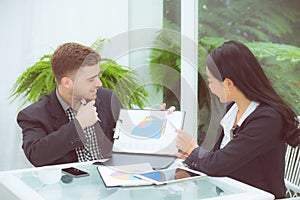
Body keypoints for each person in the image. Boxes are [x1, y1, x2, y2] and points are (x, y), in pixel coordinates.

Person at [175, 40, 300, 199]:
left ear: (228, 83)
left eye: (211, 81)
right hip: (229, 193)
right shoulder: (233, 110)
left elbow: (218, 164)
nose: (210, 87)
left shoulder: (267, 119)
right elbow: (216, 160)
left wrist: (193, 149)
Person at [17, 42, 122, 167]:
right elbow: (36, 156)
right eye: (91, 79)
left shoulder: (109, 99)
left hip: (112, 179)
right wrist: (78, 124)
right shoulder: (34, 115)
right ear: (67, 83)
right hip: (69, 184)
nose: (99, 84)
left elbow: (127, 141)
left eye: (97, 76)